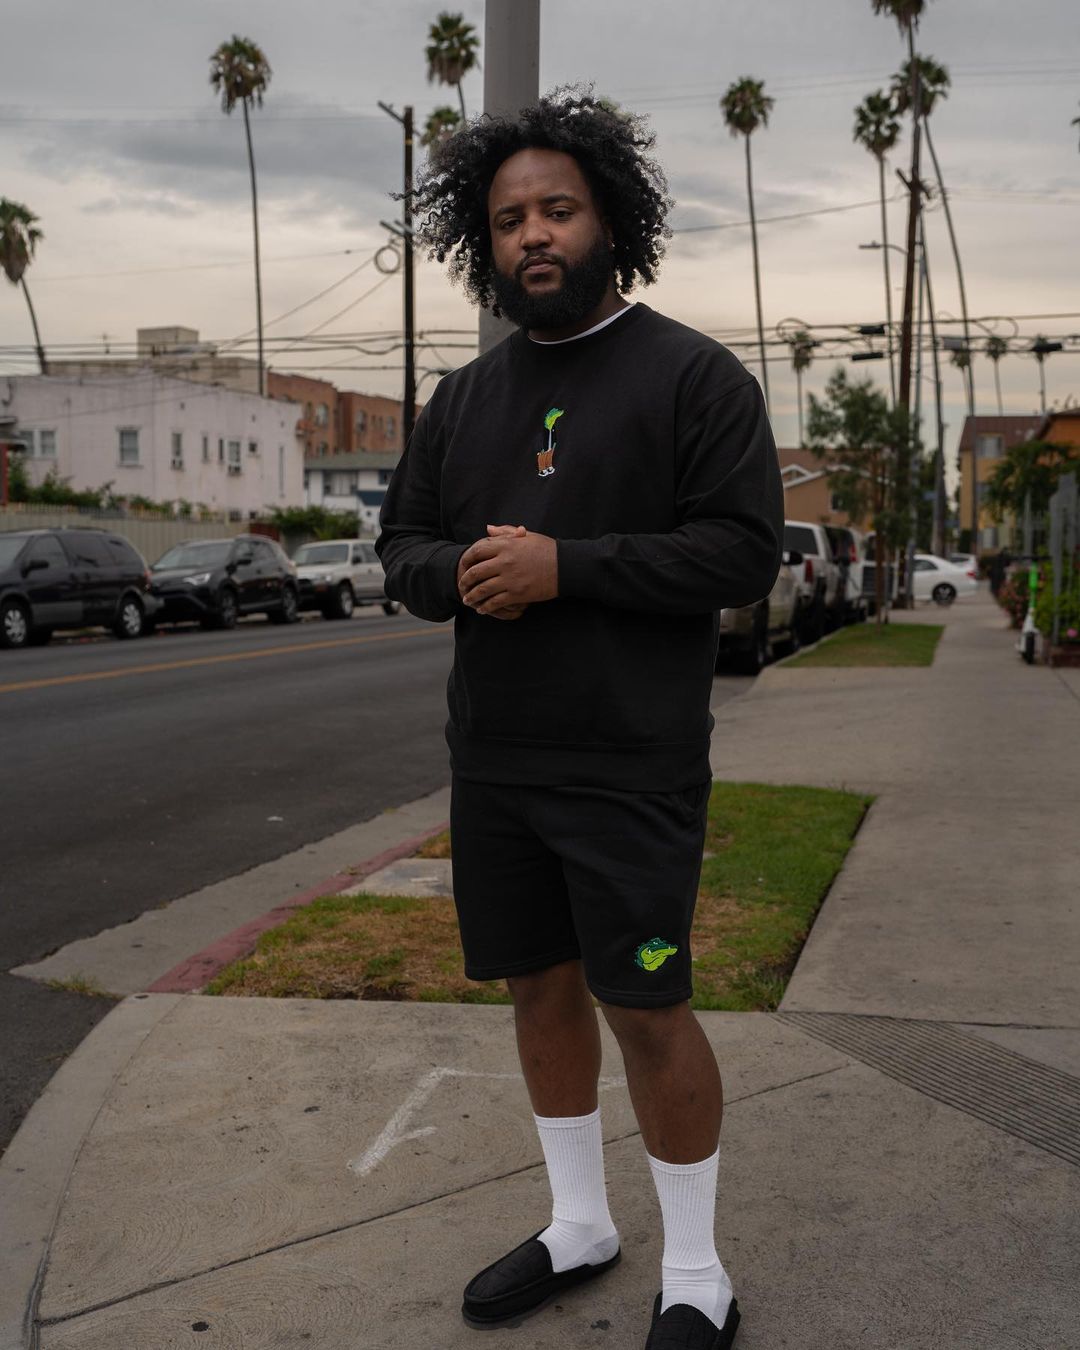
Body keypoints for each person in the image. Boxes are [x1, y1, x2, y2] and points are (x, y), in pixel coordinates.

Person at [376, 88, 782, 1350]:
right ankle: (579, 1224)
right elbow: (402, 548)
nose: (533, 236)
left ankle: (697, 1272)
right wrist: (462, 573)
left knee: (646, 1007)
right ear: (483, 242)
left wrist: (568, 568)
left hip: (630, 766)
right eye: (509, 221)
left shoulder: (693, 377)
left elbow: (742, 554)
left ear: (611, 220)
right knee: (537, 992)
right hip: (497, 762)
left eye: (557, 210)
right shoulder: (463, 399)